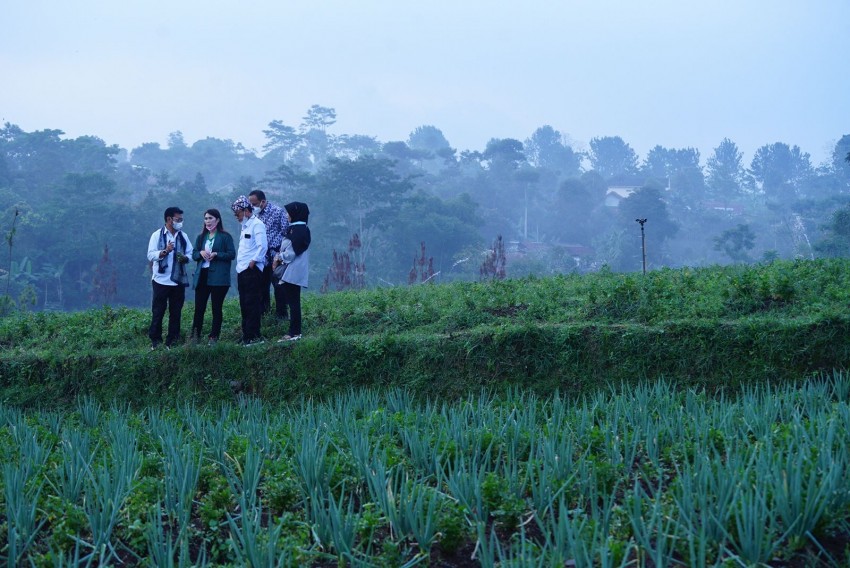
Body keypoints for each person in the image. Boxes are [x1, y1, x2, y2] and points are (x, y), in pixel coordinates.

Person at [147, 206, 193, 350]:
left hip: (177, 280)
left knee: (176, 312)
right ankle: (155, 340)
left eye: (181, 219)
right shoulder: (157, 235)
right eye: (178, 219)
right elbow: (150, 255)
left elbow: (191, 254)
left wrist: (185, 258)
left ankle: (172, 340)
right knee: (158, 311)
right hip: (160, 280)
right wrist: (165, 251)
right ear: (169, 219)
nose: (180, 222)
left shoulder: (183, 236)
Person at [190, 209, 236, 346]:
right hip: (202, 275)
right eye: (205, 218)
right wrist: (201, 253)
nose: (208, 221)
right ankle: (194, 336)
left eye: (210, 218)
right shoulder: (201, 237)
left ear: (218, 220)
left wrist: (216, 254)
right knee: (199, 308)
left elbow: (231, 254)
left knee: (216, 308)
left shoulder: (225, 236)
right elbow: (194, 254)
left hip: (219, 278)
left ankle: (213, 337)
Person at [232, 195, 268, 346]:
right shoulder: (245, 226)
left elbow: (262, 246)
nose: (237, 217)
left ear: (246, 211)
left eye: (238, 214)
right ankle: (246, 334)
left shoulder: (257, 224)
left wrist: (253, 262)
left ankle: (253, 335)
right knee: (244, 303)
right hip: (242, 270)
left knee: (252, 303)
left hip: (251, 270)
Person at [248, 189, 289, 319]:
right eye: (251, 204)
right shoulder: (254, 216)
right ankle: (264, 314)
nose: (252, 207)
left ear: (263, 201)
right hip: (261, 256)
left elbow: (286, 232)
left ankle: (281, 315)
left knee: (278, 286)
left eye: (254, 204)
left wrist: (281, 253)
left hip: (275, 255)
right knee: (261, 287)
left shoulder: (277, 212)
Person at [275, 201, 310, 342]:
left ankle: (294, 332)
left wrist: (279, 257)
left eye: (288, 212)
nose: (286, 215)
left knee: (293, 302)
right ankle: (294, 331)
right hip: (292, 269)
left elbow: (291, 252)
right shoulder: (296, 229)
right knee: (293, 301)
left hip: (293, 270)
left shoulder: (299, 230)